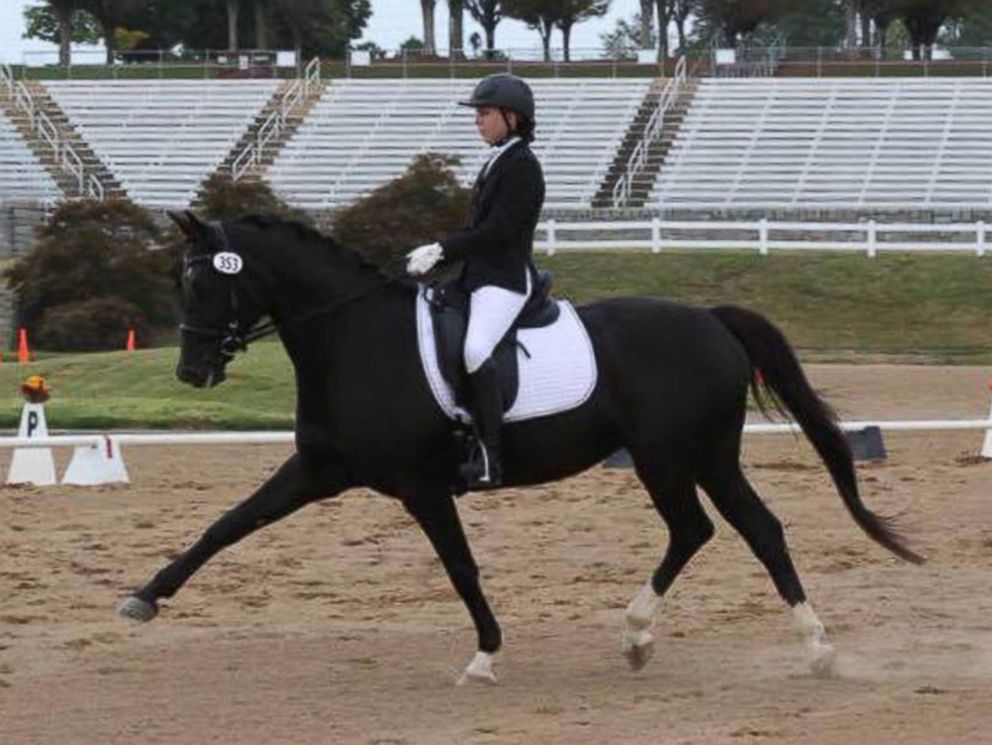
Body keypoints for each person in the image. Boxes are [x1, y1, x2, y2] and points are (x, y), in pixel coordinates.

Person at [406, 73, 545, 489]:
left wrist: (443, 250)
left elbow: (499, 232)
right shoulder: (498, 161)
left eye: (484, 113)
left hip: (504, 279)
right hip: (476, 277)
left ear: (512, 118)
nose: (477, 121)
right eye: (478, 114)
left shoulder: (523, 166)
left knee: (475, 349)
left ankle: (489, 456)